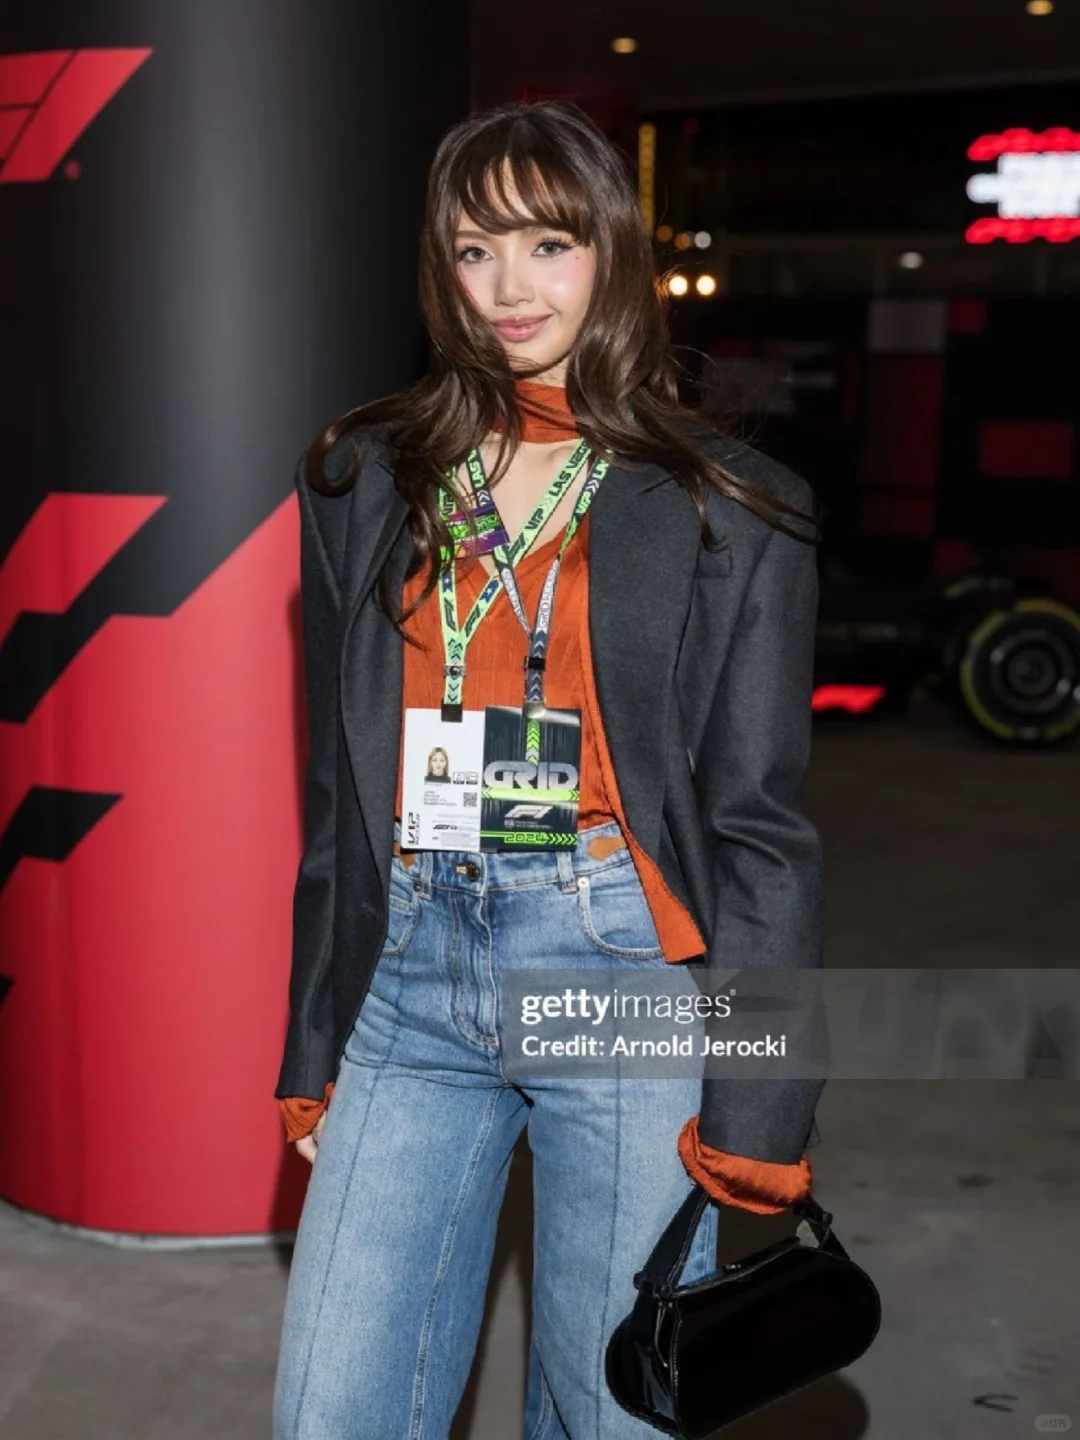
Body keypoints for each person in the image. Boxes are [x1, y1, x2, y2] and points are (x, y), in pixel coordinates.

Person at [273, 99, 824, 1440]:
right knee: (330, 1409)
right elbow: (339, 797)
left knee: (608, 1411)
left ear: (612, 252)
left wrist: (761, 1094)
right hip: (410, 969)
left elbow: (758, 827)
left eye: (547, 244)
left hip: (616, 969)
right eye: (474, 251)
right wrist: (313, 1036)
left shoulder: (727, 504)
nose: (509, 286)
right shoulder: (366, 477)